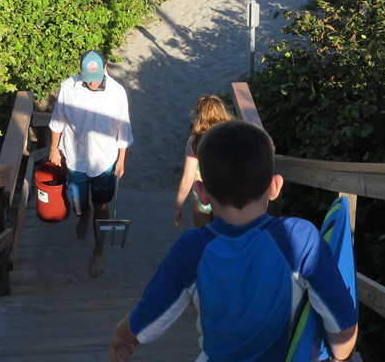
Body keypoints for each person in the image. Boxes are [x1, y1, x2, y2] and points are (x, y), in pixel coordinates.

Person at [110, 120, 358, 362]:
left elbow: (149, 317)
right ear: (275, 186)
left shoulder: (191, 249)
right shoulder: (300, 239)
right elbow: (344, 328)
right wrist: (339, 354)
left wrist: (122, 332)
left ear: (201, 192)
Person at [50, 50, 132, 278]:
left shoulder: (117, 93)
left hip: (104, 160)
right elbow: (58, 119)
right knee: (77, 204)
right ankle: (83, 214)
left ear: (105, 67)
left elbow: (124, 129)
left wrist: (121, 160)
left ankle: (98, 249)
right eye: (87, 77)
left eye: (96, 77)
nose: (92, 83)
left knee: (102, 206)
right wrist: (53, 148)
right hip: (75, 158)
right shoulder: (69, 87)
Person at [173, 95, 231, 228]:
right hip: (224, 193)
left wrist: (178, 205)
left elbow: (187, 179)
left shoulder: (195, 140)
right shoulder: (229, 137)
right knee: (224, 236)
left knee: (203, 236)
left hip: (201, 192)